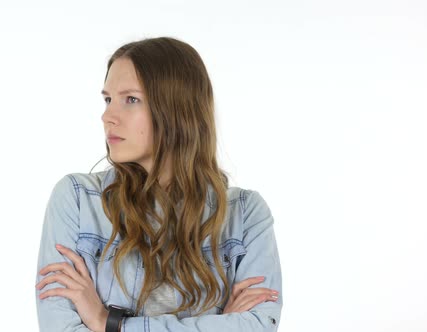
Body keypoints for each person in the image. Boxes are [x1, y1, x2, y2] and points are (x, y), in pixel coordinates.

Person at [34, 36, 283, 332]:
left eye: (131, 99)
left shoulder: (245, 215)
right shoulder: (77, 200)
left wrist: (108, 323)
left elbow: (257, 327)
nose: (107, 116)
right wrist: (219, 324)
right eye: (108, 99)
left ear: (176, 109)